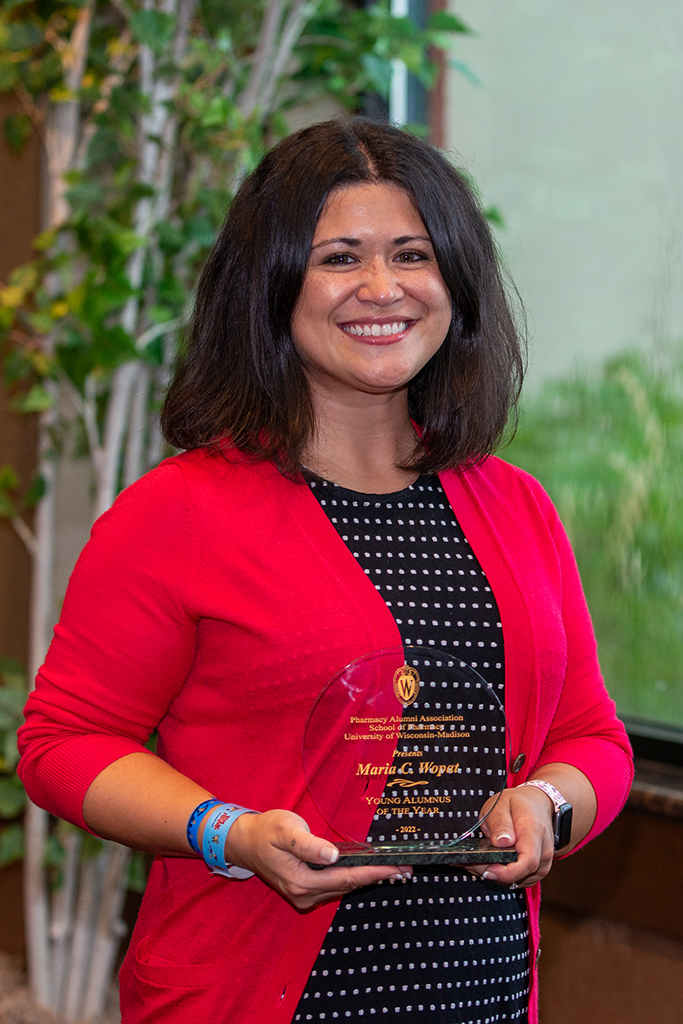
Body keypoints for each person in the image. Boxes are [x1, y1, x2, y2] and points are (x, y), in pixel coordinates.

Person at [18, 118, 633, 1024]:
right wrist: (226, 833)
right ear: (271, 286)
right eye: (339, 257)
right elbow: (63, 742)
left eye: (412, 255)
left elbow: (592, 737)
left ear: (455, 286)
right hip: (249, 991)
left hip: (483, 995)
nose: (381, 288)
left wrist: (548, 803)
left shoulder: (516, 506)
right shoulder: (179, 513)